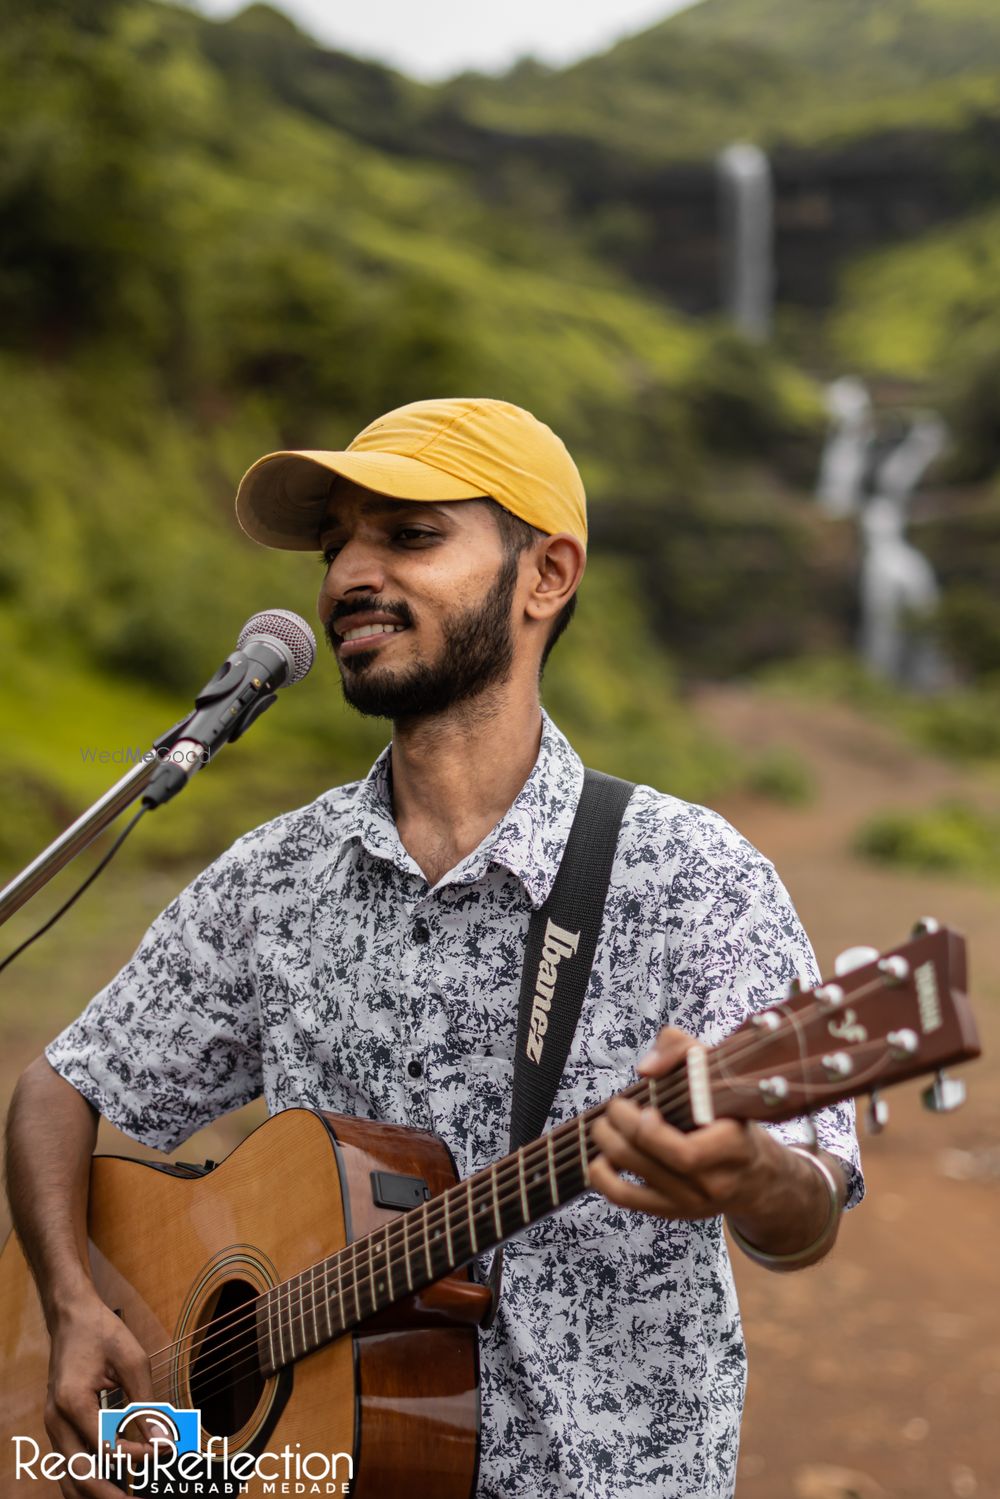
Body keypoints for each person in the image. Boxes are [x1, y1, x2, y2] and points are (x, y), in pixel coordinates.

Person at [6, 396, 863, 1499]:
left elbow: (804, 1214)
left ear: (545, 576)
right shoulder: (277, 877)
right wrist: (73, 1303)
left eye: (408, 536)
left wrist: (749, 1174)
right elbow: (58, 1086)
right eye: (335, 546)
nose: (349, 577)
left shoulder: (690, 876)